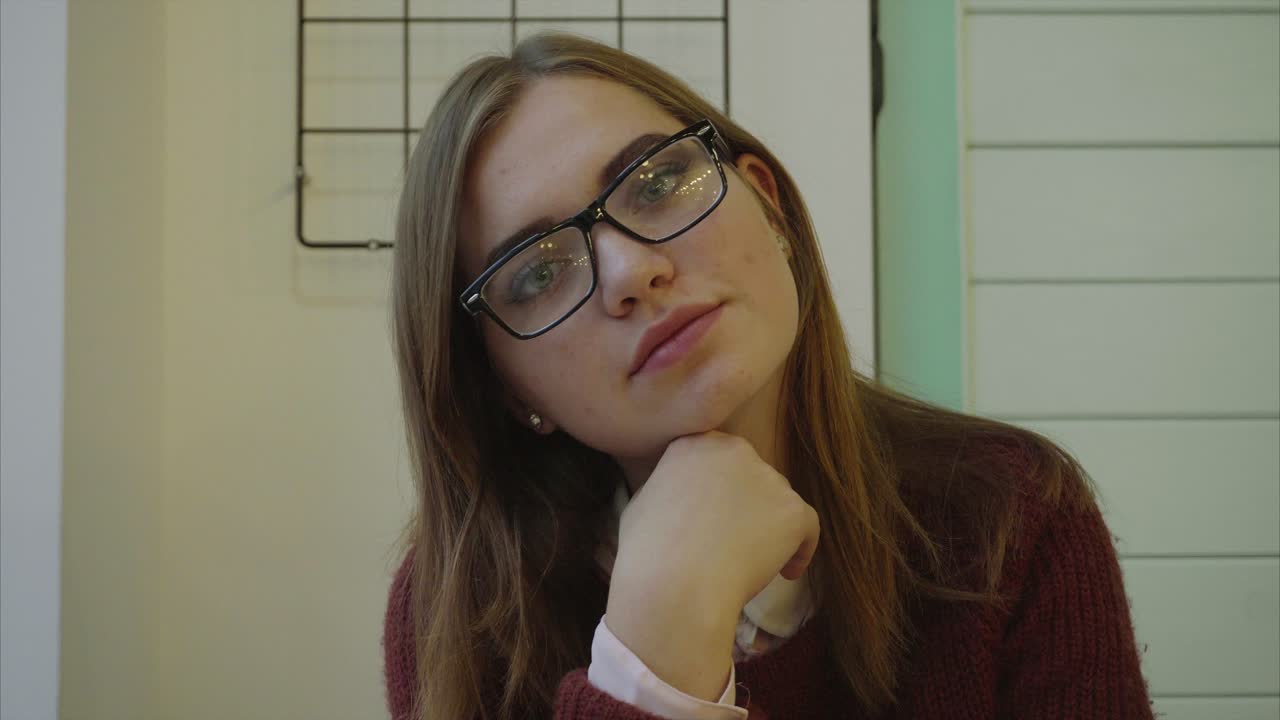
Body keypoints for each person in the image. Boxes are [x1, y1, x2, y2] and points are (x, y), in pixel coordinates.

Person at [381, 32, 1155, 720]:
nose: (631, 271)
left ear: (770, 208)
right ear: (509, 388)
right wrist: (652, 658)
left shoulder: (1012, 518)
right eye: (537, 271)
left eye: (654, 184)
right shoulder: (455, 613)